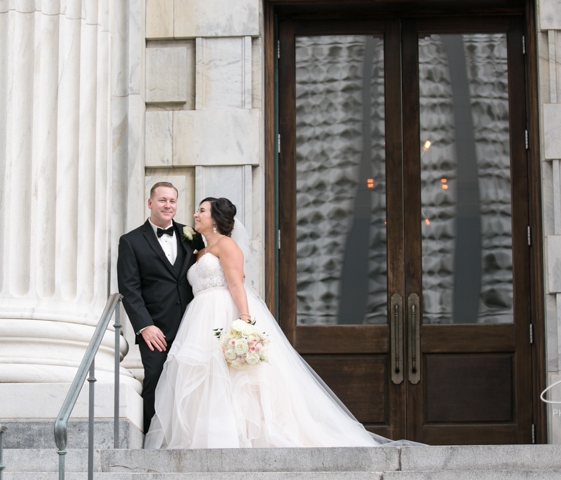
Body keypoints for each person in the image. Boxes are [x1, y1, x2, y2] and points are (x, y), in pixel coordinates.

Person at [144, 197, 379, 448]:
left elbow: (236, 284)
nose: (195, 215)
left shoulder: (227, 245)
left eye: (201, 211)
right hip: (198, 317)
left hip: (223, 313)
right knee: (204, 374)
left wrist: (244, 322)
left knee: (231, 376)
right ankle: (205, 435)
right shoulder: (198, 252)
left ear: (215, 219)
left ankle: (236, 435)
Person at [117, 182, 203, 434]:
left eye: (173, 201)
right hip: (155, 329)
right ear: (150, 203)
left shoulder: (192, 235)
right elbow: (129, 289)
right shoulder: (131, 241)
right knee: (155, 382)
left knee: (192, 381)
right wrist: (145, 326)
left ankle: (187, 434)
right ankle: (152, 441)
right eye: (163, 200)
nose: (168, 205)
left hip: (192, 324)